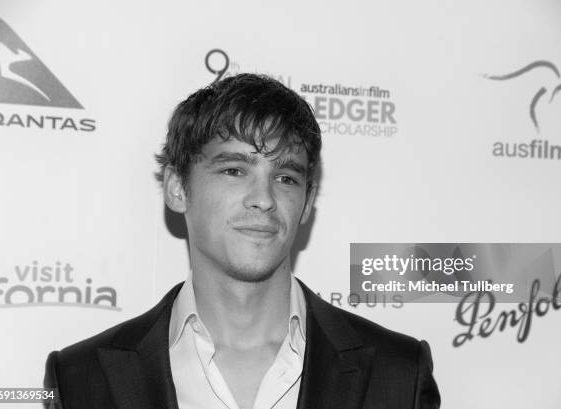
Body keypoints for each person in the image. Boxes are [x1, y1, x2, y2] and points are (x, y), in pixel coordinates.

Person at [44, 73, 440, 409]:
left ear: (306, 204)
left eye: (286, 178)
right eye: (234, 170)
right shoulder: (81, 380)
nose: (264, 199)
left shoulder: (398, 374)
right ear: (178, 188)